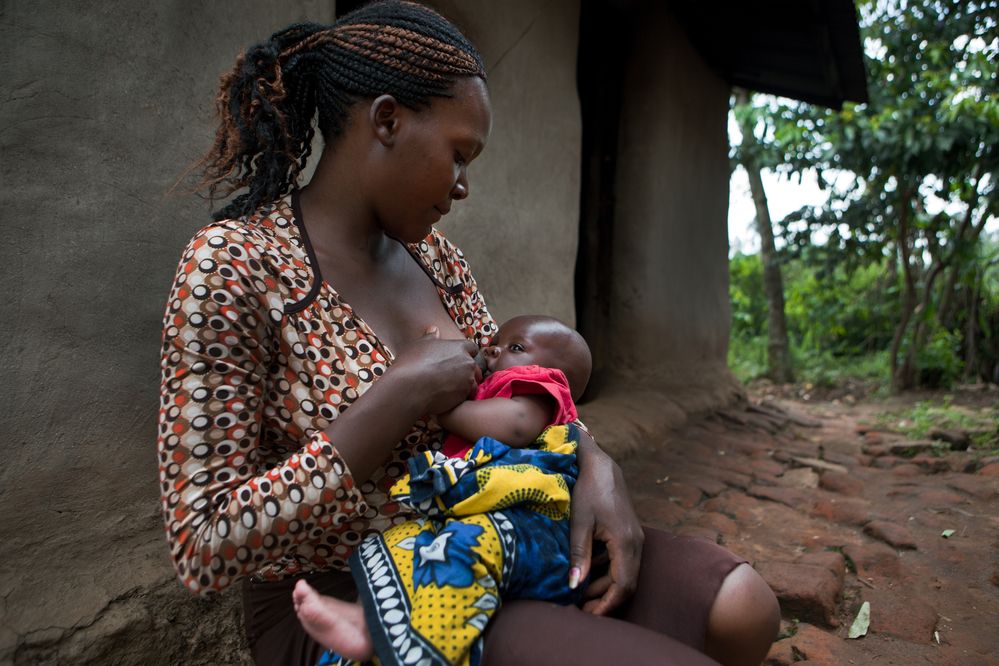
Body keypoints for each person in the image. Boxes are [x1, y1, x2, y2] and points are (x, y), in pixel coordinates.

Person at [157, 3, 780, 666]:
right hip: (345, 598)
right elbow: (203, 545)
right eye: (459, 155)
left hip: (494, 544)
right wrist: (396, 396)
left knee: (741, 608)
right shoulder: (234, 264)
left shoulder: (439, 262)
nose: (463, 186)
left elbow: (517, 392)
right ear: (387, 120)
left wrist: (594, 462)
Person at [293, 315, 594, 666]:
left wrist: (440, 410)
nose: (493, 347)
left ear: (558, 371)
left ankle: (425, 651)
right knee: (401, 546)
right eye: (495, 341)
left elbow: (515, 426)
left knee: (461, 554)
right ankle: (367, 624)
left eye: (515, 347)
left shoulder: (542, 386)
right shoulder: (495, 386)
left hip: (525, 521)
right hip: (470, 514)